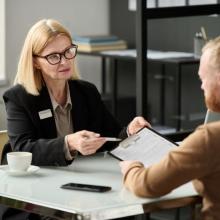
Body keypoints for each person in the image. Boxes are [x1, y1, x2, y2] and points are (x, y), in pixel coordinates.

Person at [1, 19, 148, 220]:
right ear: (35, 61)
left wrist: (130, 131)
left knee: (126, 210)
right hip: (36, 196)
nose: (65, 61)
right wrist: (68, 143)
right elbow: (23, 148)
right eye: (53, 56)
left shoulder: (86, 92)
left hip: (80, 187)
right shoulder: (19, 98)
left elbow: (112, 135)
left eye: (68, 51)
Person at [120, 36, 220, 220]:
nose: (202, 86)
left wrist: (131, 166)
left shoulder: (210, 138)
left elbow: (147, 185)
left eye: (203, 78)